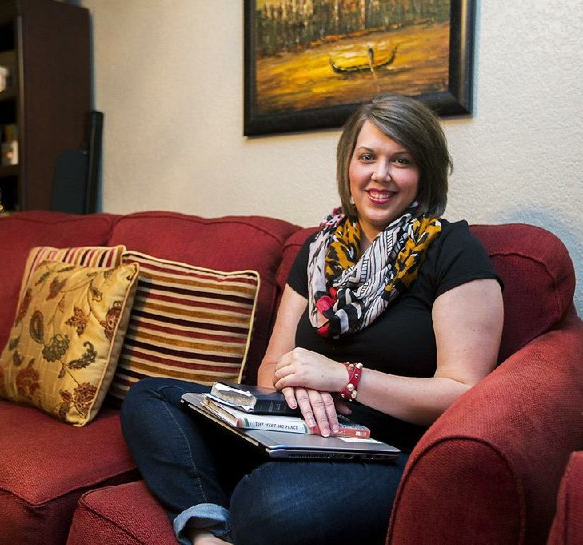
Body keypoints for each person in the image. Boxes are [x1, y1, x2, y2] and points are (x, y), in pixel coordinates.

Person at [121, 94, 504, 545]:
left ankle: (239, 498)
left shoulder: (452, 251)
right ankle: (207, 529)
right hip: (291, 423)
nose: (380, 174)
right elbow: (270, 368)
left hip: (380, 447)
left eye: (401, 161)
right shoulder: (318, 250)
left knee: (268, 508)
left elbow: (464, 392)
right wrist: (297, 383)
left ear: (425, 173)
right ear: (349, 166)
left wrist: (342, 377)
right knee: (150, 398)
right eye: (368, 157)